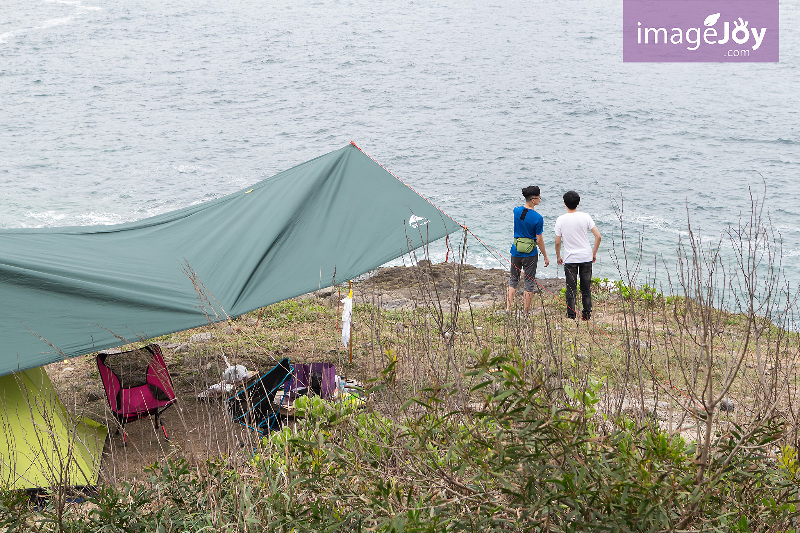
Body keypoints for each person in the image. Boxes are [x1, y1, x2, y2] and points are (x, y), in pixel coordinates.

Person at [554, 190, 601, 320]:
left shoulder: (561, 220)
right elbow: (598, 236)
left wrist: (558, 256)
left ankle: (571, 316)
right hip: (586, 257)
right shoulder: (585, 216)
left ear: (564, 203)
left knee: (571, 289)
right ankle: (586, 315)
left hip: (570, 259)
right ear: (578, 203)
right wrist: (594, 253)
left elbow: (558, 242)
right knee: (586, 289)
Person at [507, 186, 549, 313]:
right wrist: (546, 256)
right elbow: (539, 240)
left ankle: (508, 308)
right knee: (529, 282)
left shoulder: (516, 211)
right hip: (530, 253)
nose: (540, 200)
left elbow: (523, 215)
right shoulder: (538, 218)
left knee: (513, 279)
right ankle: (525, 312)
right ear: (533, 200)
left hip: (516, 250)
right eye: (539, 198)